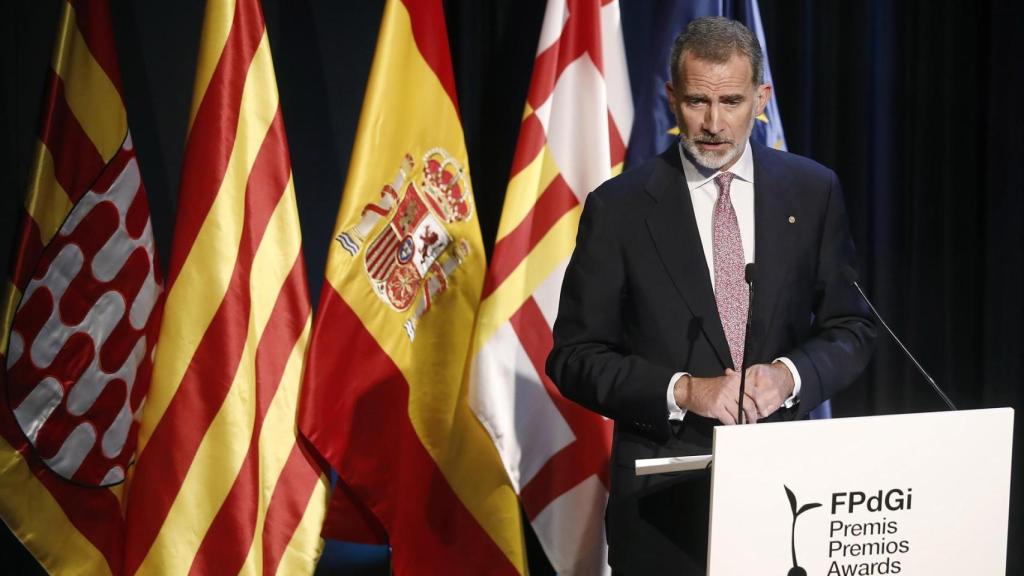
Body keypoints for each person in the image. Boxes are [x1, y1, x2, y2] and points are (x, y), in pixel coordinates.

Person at [545, 16, 876, 575]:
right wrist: (683, 390)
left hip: (787, 499)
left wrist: (787, 377)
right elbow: (575, 357)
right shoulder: (620, 208)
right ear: (671, 98)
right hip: (661, 505)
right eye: (698, 101)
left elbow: (853, 327)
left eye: (732, 101)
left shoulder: (812, 190)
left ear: (761, 97)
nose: (715, 123)